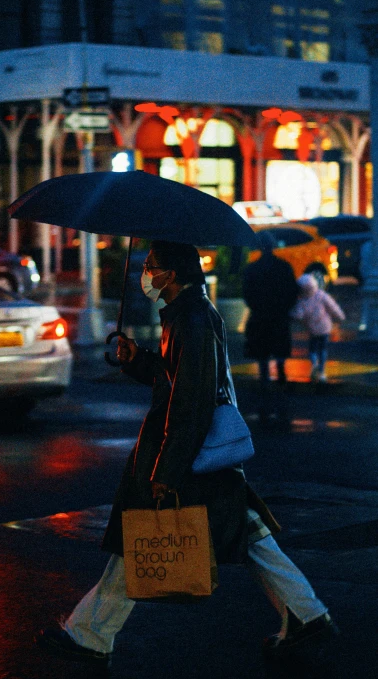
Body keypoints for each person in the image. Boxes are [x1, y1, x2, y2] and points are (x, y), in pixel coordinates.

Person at [37, 240, 337, 668]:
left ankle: (90, 635)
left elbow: (190, 400)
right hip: (199, 451)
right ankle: (307, 614)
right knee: (244, 532)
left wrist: (167, 469)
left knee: (142, 536)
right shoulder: (186, 314)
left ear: (171, 275)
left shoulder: (191, 319)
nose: (145, 273)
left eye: (151, 266)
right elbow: (174, 379)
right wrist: (138, 359)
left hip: (188, 451)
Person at [242, 231, 299, 385]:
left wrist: (257, 306)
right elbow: (293, 290)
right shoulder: (284, 266)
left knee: (262, 352)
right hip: (279, 314)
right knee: (279, 348)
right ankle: (281, 376)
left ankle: (264, 380)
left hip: (260, 314)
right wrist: (285, 307)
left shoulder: (252, 269)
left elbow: (247, 293)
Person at [292, 274, 345, 383]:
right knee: (323, 349)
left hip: (312, 329)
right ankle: (322, 371)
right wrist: (340, 316)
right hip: (325, 327)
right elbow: (333, 307)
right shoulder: (322, 295)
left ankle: (314, 364)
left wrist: (291, 315)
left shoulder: (302, 300)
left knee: (312, 349)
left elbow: (298, 315)